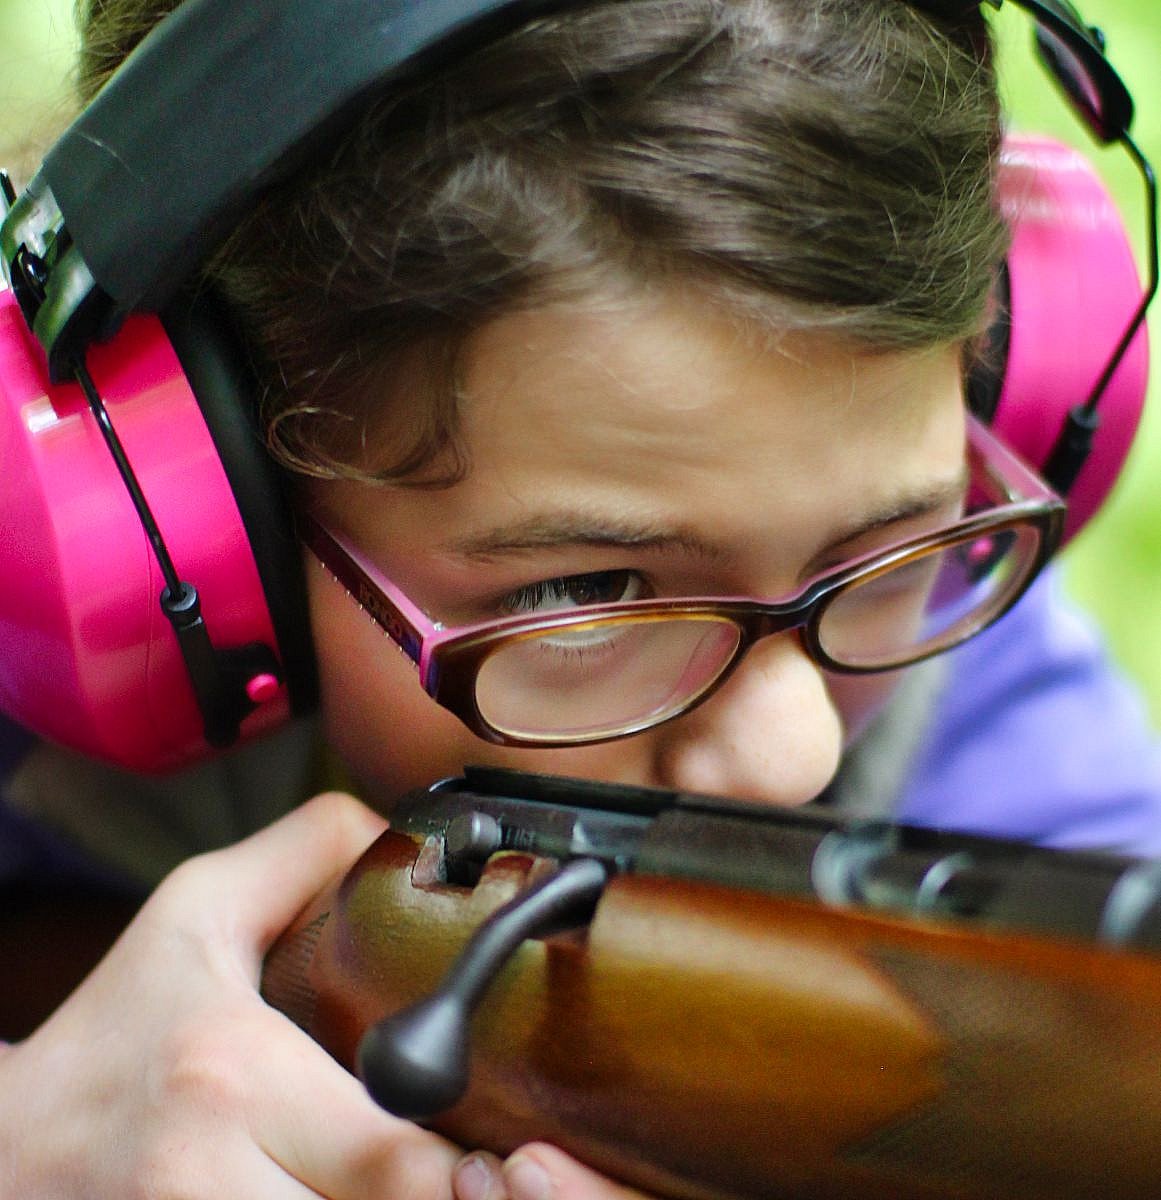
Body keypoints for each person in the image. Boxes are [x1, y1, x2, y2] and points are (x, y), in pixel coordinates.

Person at [1, 0, 1159, 1196]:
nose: (792, 755)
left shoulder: (953, 680)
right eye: (589, 592)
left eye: (891, 540)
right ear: (193, 534)